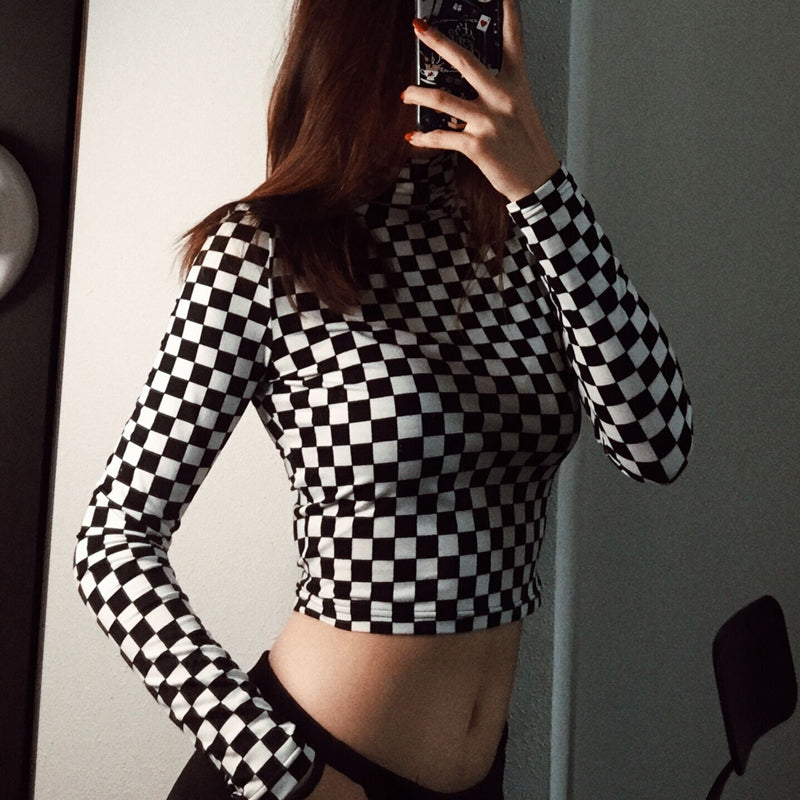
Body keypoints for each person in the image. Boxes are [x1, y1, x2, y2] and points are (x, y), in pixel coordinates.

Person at [73, 2, 693, 799]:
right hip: (311, 768)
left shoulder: (520, 242)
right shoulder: (265, 251)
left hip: (477, 779)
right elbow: (113, 542)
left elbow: (658, 445)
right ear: (369, 38)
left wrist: (543, 187)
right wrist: (286, 774)